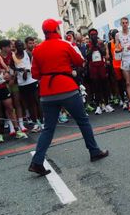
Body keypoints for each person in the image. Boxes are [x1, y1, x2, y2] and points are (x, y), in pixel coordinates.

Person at [28, 19, 109, 176]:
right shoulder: (65, 44)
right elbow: (79, 61)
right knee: (83, 121)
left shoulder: (37, 50)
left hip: (47, 92)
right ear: (57, 29)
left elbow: (35, 74)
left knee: (48, 128)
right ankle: (94, 151)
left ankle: (37, 162)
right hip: (67, 89)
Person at [12, 39, 42, 132]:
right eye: (18, 46)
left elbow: (34, 65)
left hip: (32, 81)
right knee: (29, 104)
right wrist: (17, 71)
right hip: (22, 84)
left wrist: (27, 70)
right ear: (16, 47)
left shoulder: (28, 54)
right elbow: (11, 67)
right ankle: (35, 123)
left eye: (22, 45)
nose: (21, 47)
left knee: (37, 101)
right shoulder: (13, 57)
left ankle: (42, 122)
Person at [0, 39, 28, 134]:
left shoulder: (13, 55)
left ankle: (21, 123)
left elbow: (16, 67)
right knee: (8, 106)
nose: (11, 47)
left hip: (14, 81)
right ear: (3, 47)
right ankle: (11, 125)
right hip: (3, 83)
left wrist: (12, 78)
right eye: (8, 46)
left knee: (17, 102)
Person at [86, 28, 114, 115]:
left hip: (101, 67)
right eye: (92, 35)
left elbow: (104, 54)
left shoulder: (101, 43)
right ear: (90, 36)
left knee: (105, 86)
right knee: (96, 87)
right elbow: (88, 57)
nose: (93, 36)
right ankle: (98, 105)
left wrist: (97, 46)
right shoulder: (88, 45)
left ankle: (107, 103)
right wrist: (92, 47)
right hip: (93, 68)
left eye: (95, 34)